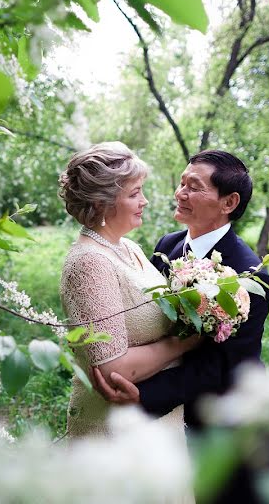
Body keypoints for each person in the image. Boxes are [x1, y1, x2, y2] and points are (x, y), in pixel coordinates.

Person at [91, 150, 269, 504]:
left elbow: (219, 365)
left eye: (193, 187)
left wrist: (144, 396)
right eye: (181, 183)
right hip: (173, 425)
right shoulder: (167, 247)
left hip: (230, 431)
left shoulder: (249, 275)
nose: (180, 193)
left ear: (229, 202)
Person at [57, 142, 201, 452]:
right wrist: (186, 342)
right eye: (134, 193)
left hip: (157, 424)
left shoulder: (129, 248)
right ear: (101, 203)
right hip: (115, 437)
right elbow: (114, 371)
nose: (144, 201)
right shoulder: (89, 263)